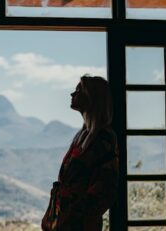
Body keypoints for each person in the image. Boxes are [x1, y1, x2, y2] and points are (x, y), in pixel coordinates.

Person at [42, 75, 119, 231]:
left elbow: (106, 186)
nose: (72, 94)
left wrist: (77, 212)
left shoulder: (104, 139)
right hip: (64, 220)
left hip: (80, 224)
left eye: (78, 90)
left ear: (92, 98)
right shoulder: (82, 135)